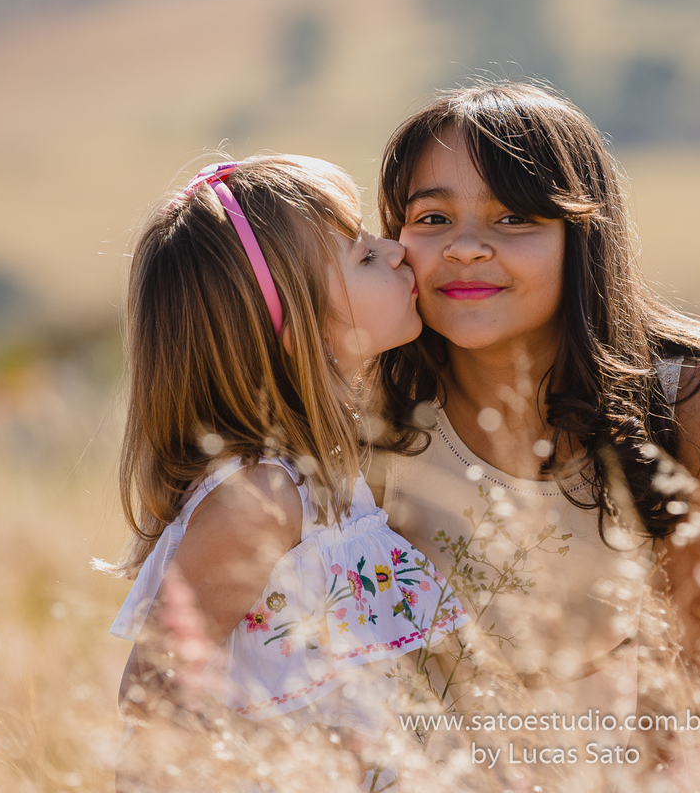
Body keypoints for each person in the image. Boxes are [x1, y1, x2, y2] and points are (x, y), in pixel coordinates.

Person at [371, 81, 700, 787]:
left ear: (584, 237)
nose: (466, 248)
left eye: (515, 217)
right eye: (432, 217)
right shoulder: (363, 412)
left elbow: (681, 706)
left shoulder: (698, 408)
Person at [107, 155, 469, 792]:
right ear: (301, 332)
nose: (396, 251)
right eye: (364, 256)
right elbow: (154, 699)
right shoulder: (263, 497)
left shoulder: (329, 475)